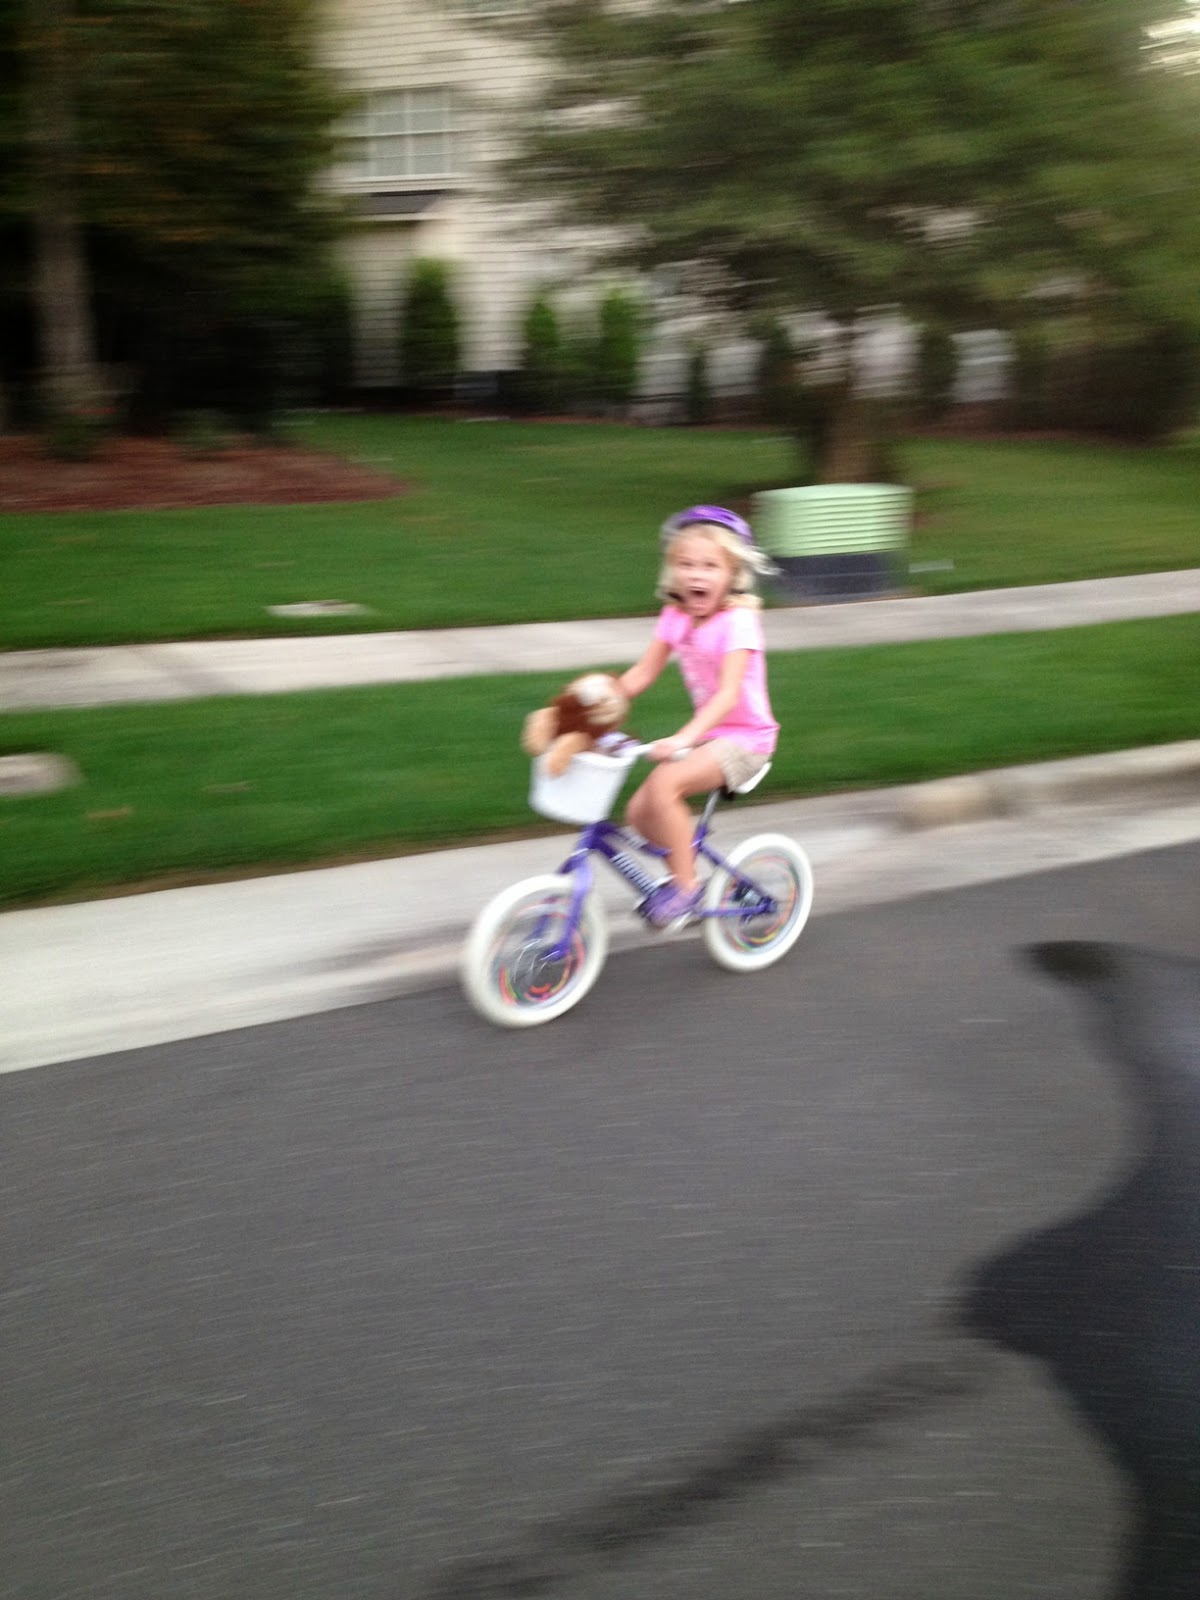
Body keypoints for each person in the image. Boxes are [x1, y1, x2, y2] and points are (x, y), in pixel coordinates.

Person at [617, 505, 779, 931]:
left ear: (733, 573)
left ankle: (686, 889)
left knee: (665, 785)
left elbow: (727, 695)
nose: (696, 575)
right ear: (673, 571)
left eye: (710, 566)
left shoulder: (739, 622)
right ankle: (688, 876)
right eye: (686, 565)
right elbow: (643, 673)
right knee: (638, 813)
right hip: (711, 737)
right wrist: (596, 704)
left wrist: (683, 739)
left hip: (747, 740)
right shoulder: (676, 616)